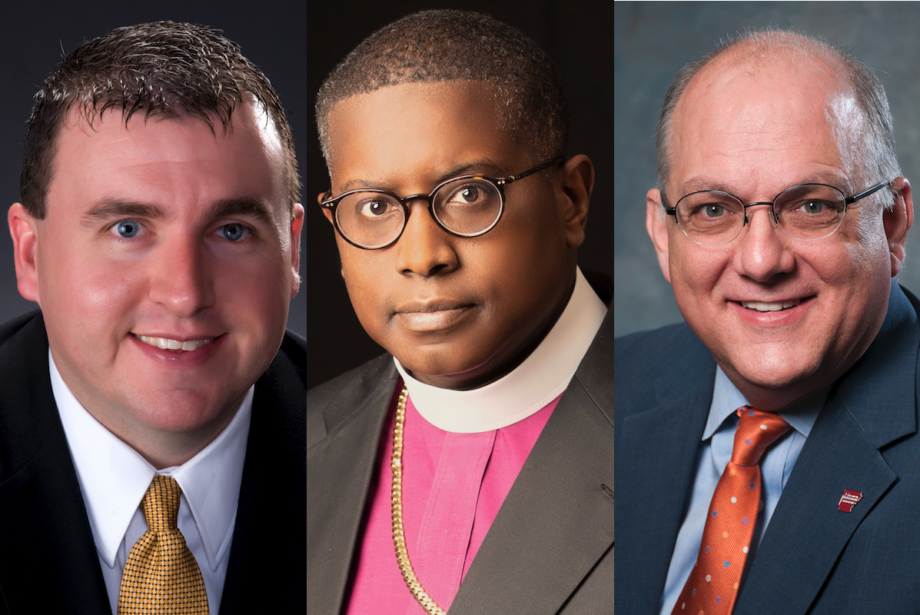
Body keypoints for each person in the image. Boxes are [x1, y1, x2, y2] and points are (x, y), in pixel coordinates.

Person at [307, 10, 613, 614]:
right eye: (373, 208)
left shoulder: (692, 432)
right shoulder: (294, 448)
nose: (422, 256)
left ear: (571, 201)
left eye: (471, 194)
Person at [0, 21, 305, 614]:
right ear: (31, 255)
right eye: (128, 229)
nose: (185, 295)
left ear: (292, 252)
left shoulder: (374, 454)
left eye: (232, 231)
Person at [615, 28, 920, 614]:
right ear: (662, 233)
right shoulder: (610, 387)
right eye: (712, 210)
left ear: (893, 222)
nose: (761, 261)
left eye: (813, 206)